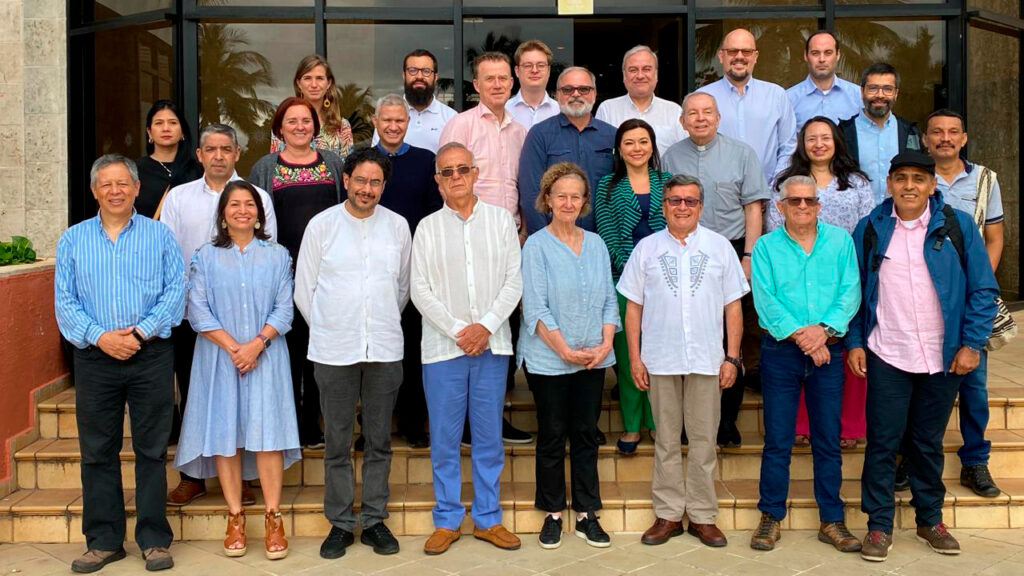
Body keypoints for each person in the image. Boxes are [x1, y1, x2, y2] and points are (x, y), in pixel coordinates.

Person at [847, 151, 998, 562]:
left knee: (927, 442)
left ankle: (930, 519)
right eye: (901, 178)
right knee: (883, 442)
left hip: (943, 357)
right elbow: (855, 291)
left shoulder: (957, 226)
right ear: (889, 184)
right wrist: (855, 341)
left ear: (932, 185)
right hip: (887, 353)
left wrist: (971, 344)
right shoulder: (870, 228)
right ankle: (878, 525)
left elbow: (983, 289)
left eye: (918, 178)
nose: (909, 186)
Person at [55, 154, 185, 573]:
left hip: (150, 355)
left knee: (151, 450)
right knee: (97, 452)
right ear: (95, 190)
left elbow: (175, 291)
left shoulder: (159, 235)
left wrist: (139, 333)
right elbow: (65, 302)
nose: (115, 191)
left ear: (136, 189)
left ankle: (154, 540)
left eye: (122, 183)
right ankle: (104, 541)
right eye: (106, 184)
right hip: (95, 358)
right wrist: (101, 337)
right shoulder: (73, 239)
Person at [618, 175, 748, 549]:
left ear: (700, 207)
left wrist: (732, 357)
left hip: (707, 359)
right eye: (675, 200)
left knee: (704, 440)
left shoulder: (720, 248)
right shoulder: (646, 249)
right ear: (664, 207)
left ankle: (703, 516)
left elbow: (733, 307)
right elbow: (633, 308)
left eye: (690, 201)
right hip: (660, 359)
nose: (682, 207)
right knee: (666, 440)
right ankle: (669, 514)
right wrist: (635, 358)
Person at [294, 148, 411, 559]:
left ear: (384, 185)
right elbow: (304, 290)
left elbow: (402, 289)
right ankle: (341, 523)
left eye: (375, 182)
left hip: (384, 347)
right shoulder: (322, 226)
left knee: (379, 440)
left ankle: (375, 519)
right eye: (360, 180)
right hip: (333, 350)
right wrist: (332, 328)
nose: (367, 188)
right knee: (337, 441)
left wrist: (375, 320)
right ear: (346, 180)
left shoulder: (397, 226)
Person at [174, 181, 299, 561]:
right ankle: (235, 516)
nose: (242, 210)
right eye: (234, 204)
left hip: (267, 355)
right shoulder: (205, 256)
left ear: (259, 213)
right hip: (220, 358)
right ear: (223, 214)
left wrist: (256, 344)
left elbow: (285, 309)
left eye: (250, 204)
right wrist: (235, 348)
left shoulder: (277, 256)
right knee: (225, 432)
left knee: (268, 434)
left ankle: (273, 516)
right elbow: (197, 311)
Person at [412, 142, 523, 556]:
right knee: (444, 438)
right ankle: (446, 520)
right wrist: (462, 331)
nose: (456, 177)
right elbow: (419, 290)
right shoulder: (427, 228)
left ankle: (488, 518)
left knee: (489, 436)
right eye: (447, 172)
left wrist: (486, 327)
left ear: (476, 174)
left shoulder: (501, 221)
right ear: (438, 181)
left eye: (463, 169)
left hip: (492, 347)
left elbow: (514, 281)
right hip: (444, 350)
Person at [162, 123, 277, 507]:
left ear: (237, 153)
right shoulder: (179, 198)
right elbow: (167, 254)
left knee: (244, 400)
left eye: (226, 149)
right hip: (193, 317)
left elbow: (269, 252)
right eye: (210, 149)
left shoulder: (257, 196)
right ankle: (193, 476)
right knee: (197, 396)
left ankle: (242, 477)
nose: (218, 156)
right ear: (199, 155)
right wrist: (190, 306)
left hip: (249, 319)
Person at [749, 175, 861, 553]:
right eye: (794, 201)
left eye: (808, 201)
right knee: (778, 439)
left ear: (818, 205)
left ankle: (832, 520)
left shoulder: (840, 242)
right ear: (780, 207)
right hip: (781, 353)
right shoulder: (765, 247)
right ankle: (770, 516)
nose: (801, 206)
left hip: (829, 352)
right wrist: (805, 338)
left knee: (827, 440)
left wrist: (823, 332)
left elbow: (850, 293)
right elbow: (765, 301)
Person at [661, 91, 768, 447]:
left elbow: (753, 208)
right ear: (682, 121)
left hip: (732, 250)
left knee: (728, 339)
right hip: (682, 251)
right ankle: (686, 423)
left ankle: (727, 421)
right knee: (687, 336)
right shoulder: (671, 157)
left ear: (718, 118)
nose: (701, 118)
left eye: (708, 112)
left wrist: (749, 256)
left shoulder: (742, 153)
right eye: (693, 113)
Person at [520, 163, 618, 550]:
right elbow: (535, 308)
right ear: (547, 199)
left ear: (584, 202)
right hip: (549, 361)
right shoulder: (536, 246)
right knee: (552, 433)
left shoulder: (596, 244)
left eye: (576, 196)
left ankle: (586, 513)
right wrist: (565, 351)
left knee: (585, 434)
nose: (568, 202)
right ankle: (552, 513)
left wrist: (605, 345)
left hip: (592, 357)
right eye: (560, 195)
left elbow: (609, 300)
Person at [439, 51, 532, 444]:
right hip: (469, 236)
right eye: (488, 78)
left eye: (503, 78)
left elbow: (522, 184)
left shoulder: (520, 130)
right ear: (476, 85)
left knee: (503, 326)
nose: (497, 84)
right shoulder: (460, 125)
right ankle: (463, 423)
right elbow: (447, 182)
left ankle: (495, 415)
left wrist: (523, 229)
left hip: (509, 238)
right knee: (469, 324)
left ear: (512, 82)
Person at [768, 116, 873, 450]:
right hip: (795, 274)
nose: (818, 144)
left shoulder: (856, 182)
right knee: (801, 346)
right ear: (802, 144)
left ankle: (848, 426)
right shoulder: (786, 181)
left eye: (825, 137)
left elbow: (869, 227)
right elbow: (774, 229)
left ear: (836, 141)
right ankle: (801, 424)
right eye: (811, 138)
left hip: (845, 272)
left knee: (847, 346)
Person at [250, 97, 347, 450]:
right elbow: (254, 220)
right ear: (279, 128)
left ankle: (312, 424)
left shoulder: (332, 163)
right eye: (291, 121)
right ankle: (288, 425)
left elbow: (345, 213)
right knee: (287, 351)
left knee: (318, 350)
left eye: (305, 121)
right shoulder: (265, 167)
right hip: (282, 273)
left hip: (327, 272)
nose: (299, 127)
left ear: (315, 127)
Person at [922, 108, 1005, 497]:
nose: (945, 138)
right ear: (925, 140)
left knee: (974, 384)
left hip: (970, 301)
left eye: (953, 131)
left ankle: (975, 461)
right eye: (937, 132)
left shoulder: (986, 180)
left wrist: (979, 284)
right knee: (922, 382)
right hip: (925, 299)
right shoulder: (917, 178)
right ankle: (914, 459)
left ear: (964, 138)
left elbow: (995, 238)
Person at [593, 119, 670, 455]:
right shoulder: (607, 185)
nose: (637, 148)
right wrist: (636, 272)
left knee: (659, 356)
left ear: (652, 146)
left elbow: (676, 229)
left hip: (666, 281)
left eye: (643, 141)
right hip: (623, 282)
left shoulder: (667, 182)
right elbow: (607, 233)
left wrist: (657, 273)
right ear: (619, 150)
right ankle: (632, 424)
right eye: (629, 142)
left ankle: (657, 421)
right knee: (628, 357)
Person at [373, 93, 445, 448]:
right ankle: (375, 428)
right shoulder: (364, 162)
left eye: (399, 120)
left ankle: (414, 423)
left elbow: (434, 216)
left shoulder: (425, 160)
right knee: (377, 354)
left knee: (414, 350)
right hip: (374, 272)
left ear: (408, 123)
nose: (393, 126)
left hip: (416, 269)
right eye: (386, 120)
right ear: (376, 122)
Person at [519, 66, 616, 235]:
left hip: (603, 238)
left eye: (584, 89)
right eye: (567, 89)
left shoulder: (612, 136)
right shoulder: (539, 134)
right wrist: (545, 240)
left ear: (594, 93)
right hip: (554, 236)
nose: (576, 94)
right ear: (557, 95)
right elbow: (531, 193)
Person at [698, 28, 797, 183]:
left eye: (746, 52)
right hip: (717, 194)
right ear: (721, 56)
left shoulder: (776, 95)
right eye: (732, 51)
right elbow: (694, 148)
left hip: (768, 192)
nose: (739, 56)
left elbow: (789, 148)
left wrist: (775, 187)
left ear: (755, 57)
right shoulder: (701, 98)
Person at [838, 62, 923, 204]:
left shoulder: (909, 131)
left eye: (887, 89)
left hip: (900, 213)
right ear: (862, 91)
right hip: (858, 214)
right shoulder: (843, 132)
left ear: (896, 93)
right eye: (873, 88)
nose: (880, 95)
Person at [596, 45, 687, 151]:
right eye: (633, 70)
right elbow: (600, 151)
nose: (640, 76)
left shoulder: (674, 111)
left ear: (656, 74)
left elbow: (685, 152)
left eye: (646, 69)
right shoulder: (607, 110)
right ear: (624, 75)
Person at [372, 49, 458, 153]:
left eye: (426, 71)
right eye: (412, 70)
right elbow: (377, 155)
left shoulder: (451, 118)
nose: (419, 76)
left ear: (435, 77)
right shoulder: (387, 115)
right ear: (404, 75)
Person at [271, 55, 354, 158]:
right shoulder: (283, 123)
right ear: (298, 83)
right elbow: (274, 162)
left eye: (319, 78)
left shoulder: (342, 126)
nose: (314, 85)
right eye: (307, 78)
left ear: (328, 83)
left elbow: (349, 166)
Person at [135, 100, 202, 219]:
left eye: (173, 123)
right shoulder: (135, 170)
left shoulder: (198, 171)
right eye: (159, 123)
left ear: (182, 131)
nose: (166, 128)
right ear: (149, 132)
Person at [786, 31, 862, 128]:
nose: (822, 59)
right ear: (806, 55)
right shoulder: (789, 99)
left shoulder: (858, 96)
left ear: (838, 55)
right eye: (815, 53)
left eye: (828, 53)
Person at [506, 40, 559, 129]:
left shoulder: (560, 111)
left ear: (548, 71)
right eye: (528, 65)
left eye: (541, 65)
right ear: (517, 71)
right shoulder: (504, 110)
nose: (534, 70)